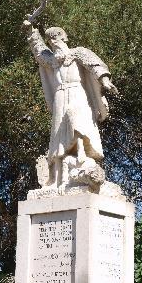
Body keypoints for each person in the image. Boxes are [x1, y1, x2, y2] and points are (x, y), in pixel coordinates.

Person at [23, 21, 117, 191]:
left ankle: (82, 156)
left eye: (56, 37)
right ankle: (58, 175)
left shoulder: (78, 53)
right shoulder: (52, 60)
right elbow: (39, 51)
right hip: (60, 96)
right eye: (50, 39)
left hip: (77, 92)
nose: (53, 41)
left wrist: (105, 80)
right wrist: (31, 31)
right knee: (59, 134)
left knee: (79, 123)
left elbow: (94, 64)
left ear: (64, 38)